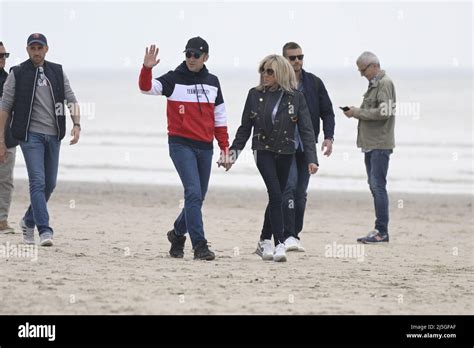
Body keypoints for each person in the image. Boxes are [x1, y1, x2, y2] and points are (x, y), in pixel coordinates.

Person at [139, 36, 231, 261]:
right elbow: (146, 88)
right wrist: (146, 69)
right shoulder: (174, 78)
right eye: (188, 54)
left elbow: (220, 118)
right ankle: (199, 246)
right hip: (181, 145)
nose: (191, 58)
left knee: (197, 198)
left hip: (205, 147)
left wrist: (224, 148)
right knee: (192, 192)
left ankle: (177, 234)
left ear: (205, 57)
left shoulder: (213, 82)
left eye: (196, 55)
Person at [228, 54, 318, 262]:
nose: (265, 75)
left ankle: (263, 240)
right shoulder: (254, 95)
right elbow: (244, 129)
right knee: (276, 194)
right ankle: (280, 244)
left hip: (286, 151)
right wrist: (232, 154)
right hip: (262, 150)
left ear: (281, 73)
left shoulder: (296, 97)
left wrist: (312, 159)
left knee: (275, 196)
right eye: (262, 70)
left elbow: (306, 130)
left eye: (270, 71)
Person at [0, 33, 81, 246]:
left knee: (50, 184)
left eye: (40, 48)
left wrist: (77, 124)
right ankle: (45, 229)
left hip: (53, 135)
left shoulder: (57, 71)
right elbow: (5, 108)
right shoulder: (18, 73)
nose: (36, 52)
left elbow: (71, 98)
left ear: (46, 49)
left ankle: (28, 221)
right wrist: (0, 139)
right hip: (30, 136)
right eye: (33, 48)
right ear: (27, 50)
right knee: (37, 181)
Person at [261, 42, 335, 252]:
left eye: (300, 57)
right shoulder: (276, 84)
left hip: (306, 145)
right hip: (283, 147)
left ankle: (294, 234)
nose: (297, 61)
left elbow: (327, 112)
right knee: (288, 189)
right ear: (284, 60)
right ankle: (287, 235)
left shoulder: (314, 83)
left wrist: (329, 137)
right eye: (292, 58)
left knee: (301, 192)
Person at [343, 51, 396, 244]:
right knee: (375, 187)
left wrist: (356, 112)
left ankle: (382, 232)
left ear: (374, 66)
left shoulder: (384, 83)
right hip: (371, 144)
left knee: (378, 186)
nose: (361, 74)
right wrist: (356, 111)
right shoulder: (375, 84)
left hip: (379, 144)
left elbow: (385, 112)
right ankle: (380, 229)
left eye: (363, 70)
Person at [0, 41, 18, 234]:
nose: (3, 59)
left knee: (5, 181)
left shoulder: (10, 80)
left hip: (8, 139)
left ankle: (2, 220)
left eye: (5, 55)